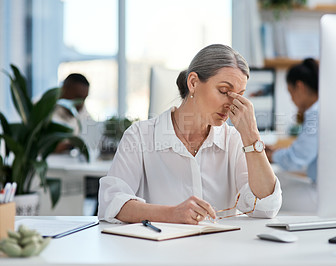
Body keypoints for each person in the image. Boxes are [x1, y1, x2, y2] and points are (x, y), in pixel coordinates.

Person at [98, 44, 282, 224]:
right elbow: (112, 203)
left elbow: (266, 207)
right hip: (158, 251)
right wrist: (172, 214)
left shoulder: (234, 140)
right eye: (224, 91)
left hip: (218, 251)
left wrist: (252, 136)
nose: (231, 103)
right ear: (193, 82)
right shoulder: (140, 136)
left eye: (239, 95)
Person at [265, 58, 319, 213]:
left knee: (269, 195)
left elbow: (297, 159)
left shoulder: (316, 113)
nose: (292, 100)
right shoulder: (323, 108)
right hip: (332, 189)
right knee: (281, 180)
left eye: (290, 93)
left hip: (325, 196)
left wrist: (271, 156)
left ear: (299, 86)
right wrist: (275, 153)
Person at [52, 73, 92, 153]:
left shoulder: (82, 112)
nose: (81, 104)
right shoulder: (43, 108)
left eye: (84, 99)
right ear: (63, 89)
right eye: (78, 97)